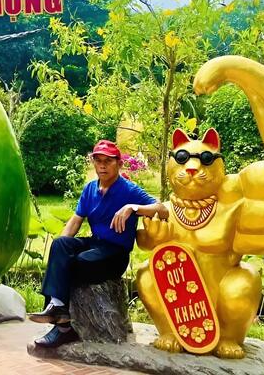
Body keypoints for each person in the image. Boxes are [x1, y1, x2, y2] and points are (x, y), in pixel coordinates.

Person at [28, 140, 168, 348]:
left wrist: (132, 207)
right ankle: (58, 309)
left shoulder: (128, 190)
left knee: (78, 263)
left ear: (119, 164)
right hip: (95, 243)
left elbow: (163, 209)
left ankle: (63, 327)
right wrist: (60, 246)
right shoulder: (89, 189)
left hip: (115, 253)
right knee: (60, 247)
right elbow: (76, 220)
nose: (102, 165)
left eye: (108, 161)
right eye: (98, 160)